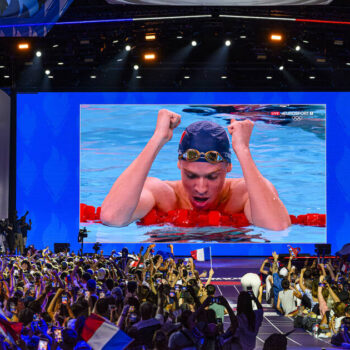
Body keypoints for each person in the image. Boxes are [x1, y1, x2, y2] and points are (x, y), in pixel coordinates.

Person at [101, 109, 291, 231]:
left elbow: (277, 227)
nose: (201, 188)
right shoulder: (162, 194)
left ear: (228, 167)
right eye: (191, 175)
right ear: (179, 165)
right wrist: (157, 139)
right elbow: (112, 218)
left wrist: (243, 150)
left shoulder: (246, 192)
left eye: (212, 176)